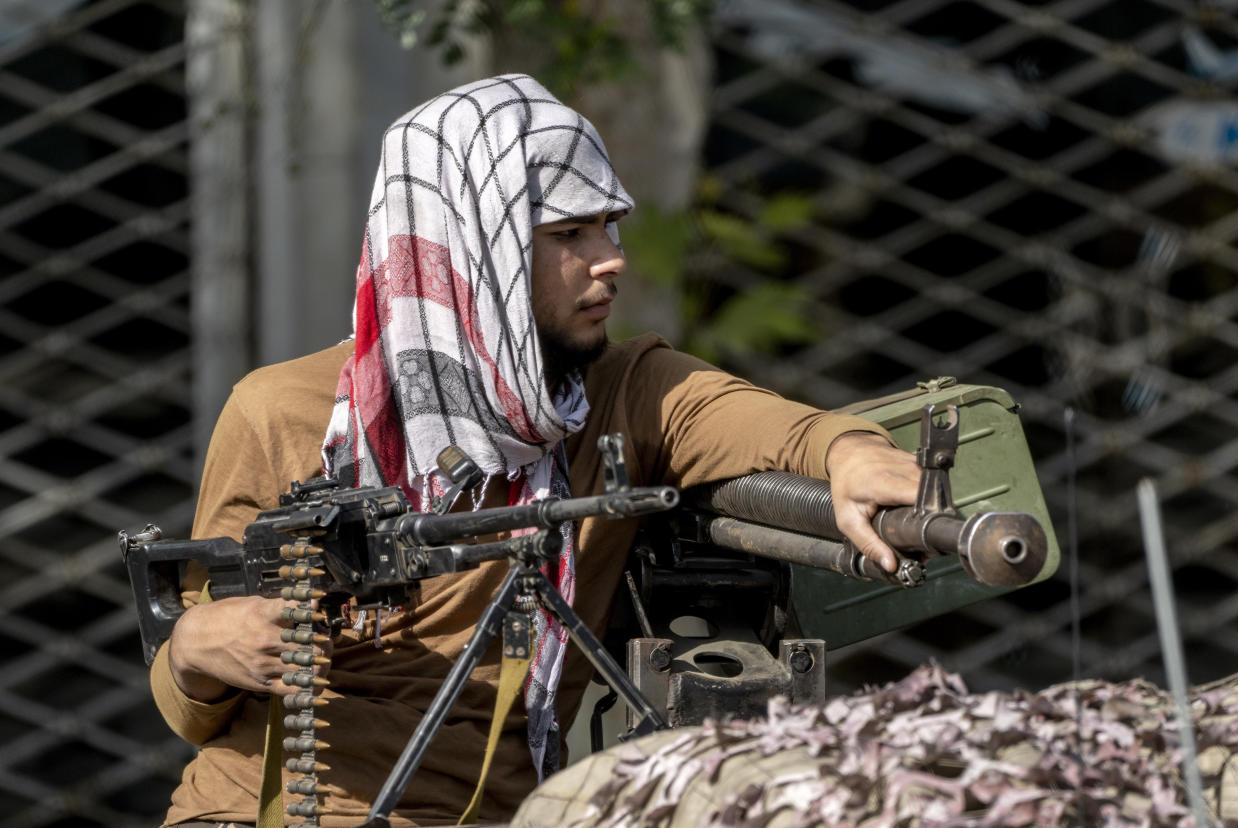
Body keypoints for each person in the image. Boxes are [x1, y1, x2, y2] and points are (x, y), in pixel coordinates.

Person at [151, 74, 920, 828]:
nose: (610, 258)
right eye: (567, 235)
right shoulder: (282, 411)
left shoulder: (625, 393)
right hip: (264, 804)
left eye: (608, 226)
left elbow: (771, 425)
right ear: (470, 248)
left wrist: (851, 452)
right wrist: (197, 649)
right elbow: (192, 702)